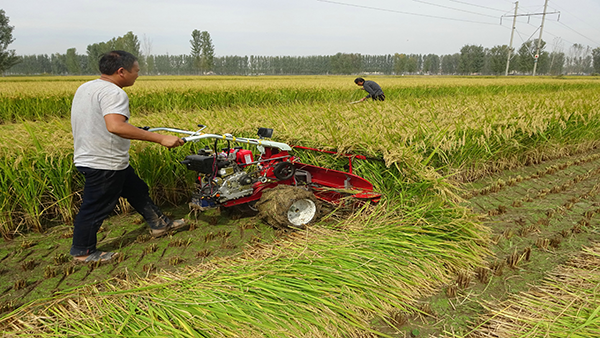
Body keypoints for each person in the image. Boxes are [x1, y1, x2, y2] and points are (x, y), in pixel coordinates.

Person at [70, 50, 187, 263]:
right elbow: (115, 126)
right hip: (105, 162)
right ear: (121, 71)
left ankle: (159, 224)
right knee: (95, 207)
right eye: (136, 71)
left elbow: (99, 122)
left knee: (137, 190)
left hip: (95, 156)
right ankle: (83, 251)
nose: (138, 75)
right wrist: (160, 138)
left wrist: (134, 129)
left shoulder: (86, 87)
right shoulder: (115, 93)